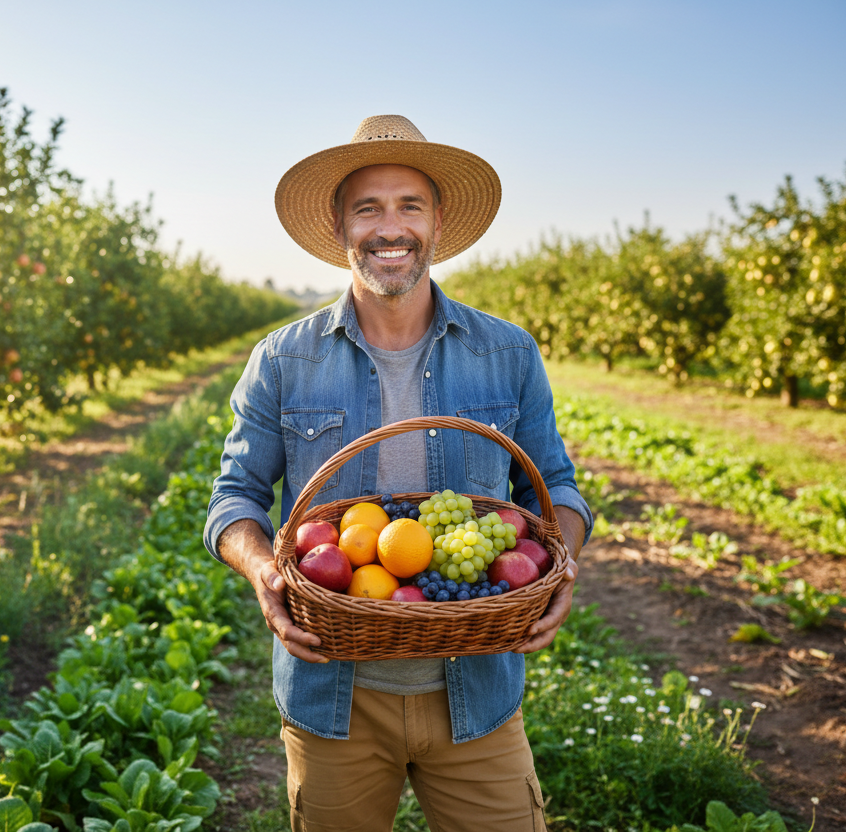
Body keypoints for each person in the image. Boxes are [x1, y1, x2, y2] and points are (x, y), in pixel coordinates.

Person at [203, 115, 593, 832]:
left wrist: (559, 563)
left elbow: (555, 488)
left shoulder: (507, 352)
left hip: (475, 689)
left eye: (410, 205)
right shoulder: (283, 360)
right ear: (339, 224)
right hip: (332, 694)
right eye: (368, 208)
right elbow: (234, 500)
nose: (391, 228)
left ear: (438, 221)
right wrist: (264, 571)